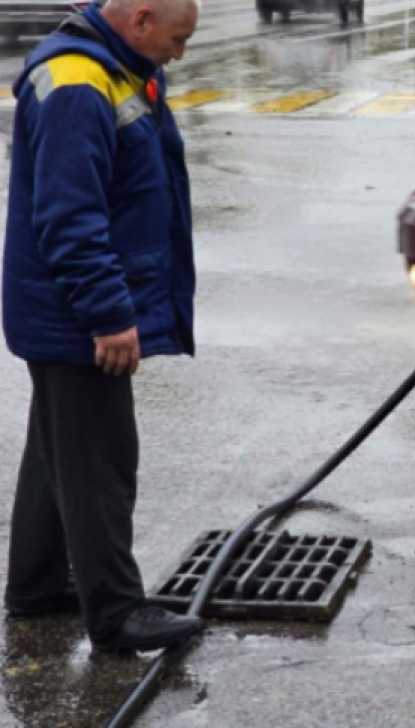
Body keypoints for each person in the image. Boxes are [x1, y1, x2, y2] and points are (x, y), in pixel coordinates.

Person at [2, 0, 205, 653]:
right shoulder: (77, 86)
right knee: (101, 462)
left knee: (56, 451)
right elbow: (70, 218)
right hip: (77, 317)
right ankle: (117, 614)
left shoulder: (115, 68)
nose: (179, 54)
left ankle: (35, 588)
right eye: (176, 40)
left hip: (67, 313)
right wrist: (111, 315)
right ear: (141, 20)